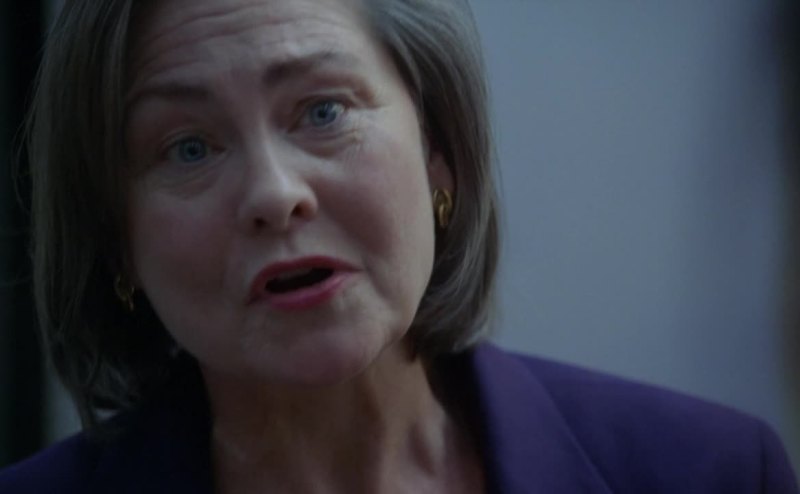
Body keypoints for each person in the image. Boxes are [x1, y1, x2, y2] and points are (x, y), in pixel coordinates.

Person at [1, 0, 797, 492]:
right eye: (188, 148)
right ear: (117, 241)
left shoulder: (710, 472)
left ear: (437, 152)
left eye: (322, 111)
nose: (275, 194)